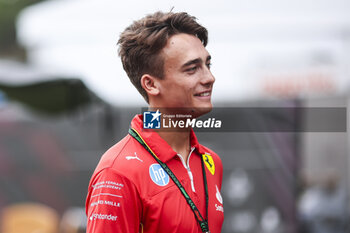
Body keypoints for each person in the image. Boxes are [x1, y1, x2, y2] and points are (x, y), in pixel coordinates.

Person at [85, 11, 224, 233]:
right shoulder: (118, 172)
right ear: (150, 85)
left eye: (208, 64)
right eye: (192, 68)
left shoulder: (211, 162)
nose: (209, 77)